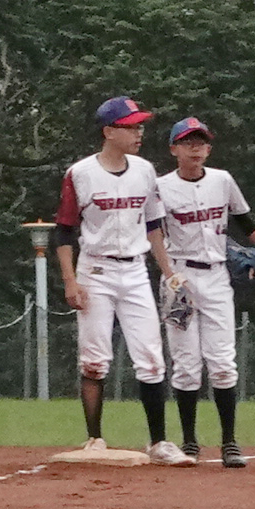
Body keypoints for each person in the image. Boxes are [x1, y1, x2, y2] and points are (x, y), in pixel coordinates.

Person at [57, 96, 182, 462]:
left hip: (135, 270)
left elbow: (154, 225)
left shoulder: (144, 170)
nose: (139, 133)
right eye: (131, 127)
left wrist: (170, 274)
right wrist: (70, 281)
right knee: (94, 359)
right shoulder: (80, 173)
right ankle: (94, 438)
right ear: (109, 132)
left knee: (151, 357)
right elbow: (64, 231)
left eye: (140, 126)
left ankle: (158, 442)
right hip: (95, 271)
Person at [151, 115, 255, 467]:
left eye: (201, 142)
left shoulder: (222, 180)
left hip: (217, 278)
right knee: (186, 364)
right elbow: (153, 231)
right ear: (173, 149)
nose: (195, 148)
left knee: (222, 362)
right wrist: (169, 274)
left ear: (209, 149)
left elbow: (242, 216)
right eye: (187, 142)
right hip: (179, 276)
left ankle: (229, 443)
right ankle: (189, 443)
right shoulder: (161, 187)